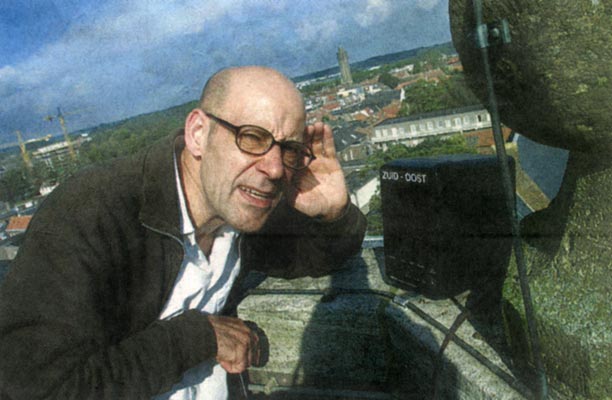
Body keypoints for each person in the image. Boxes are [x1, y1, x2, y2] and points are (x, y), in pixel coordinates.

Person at [0, 66, 366, 399]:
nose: (272, 168)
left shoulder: (239, 208)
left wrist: (335, 213)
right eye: (252, 138)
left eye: (288, 150)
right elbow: (35, 387)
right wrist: (197, 338)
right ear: (197, 134)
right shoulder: (92, 214)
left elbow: (314, 256)